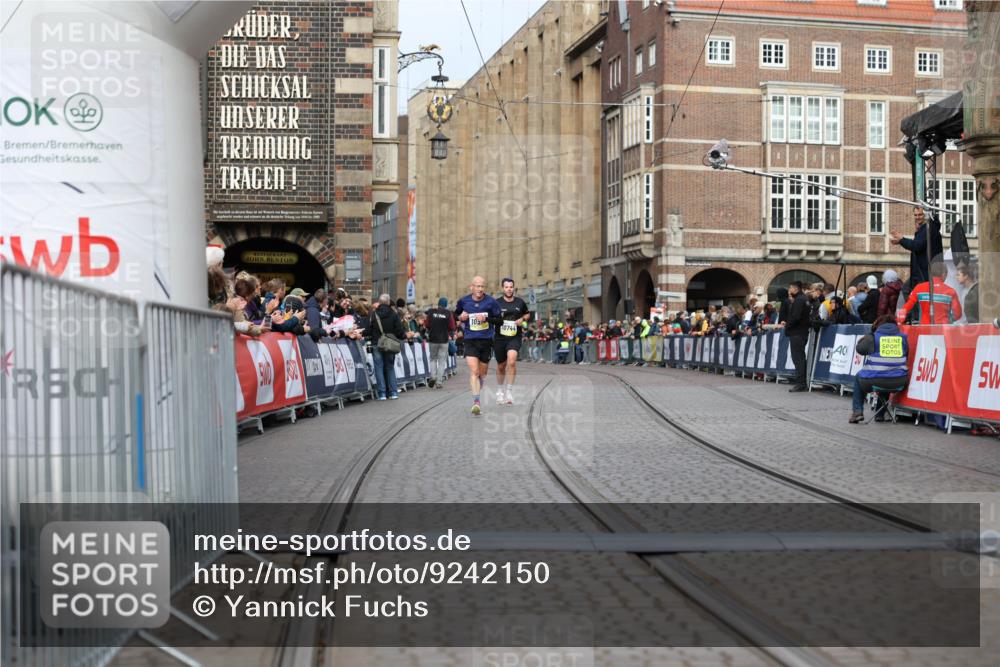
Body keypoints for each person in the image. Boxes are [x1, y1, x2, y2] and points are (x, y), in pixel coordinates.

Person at [454, 276, 503, 415]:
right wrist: (460, 317)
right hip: (470, 340)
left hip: (486, 341)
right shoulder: (464, 301)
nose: (480, 289)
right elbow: (455, 314)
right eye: (478, 286)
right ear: (472, 287)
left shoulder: (491, 302)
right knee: (474, 372)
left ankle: (480, 380)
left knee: (482, 373)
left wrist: (487, 319)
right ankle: (476, 402)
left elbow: (499, 321)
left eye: (482, 286)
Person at [848, 315, 909, 424]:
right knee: (887, 375)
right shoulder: (903, 338)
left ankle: (857, 412)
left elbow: (860, 349)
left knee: (859, 377)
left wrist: (868, 336)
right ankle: (880, 414)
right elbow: (906, 356)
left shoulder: (874, 337)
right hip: (900, 381)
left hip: (875, 380)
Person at [492, 278, 530, 404]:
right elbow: (490, 318)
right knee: (501, 365)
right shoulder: (496, 303)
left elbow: (527, 314)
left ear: (514, 288)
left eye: (511, 287)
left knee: (512, 361)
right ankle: (500, 390)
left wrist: (522, 319)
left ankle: (509, 391)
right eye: (506, 287)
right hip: (499, 337)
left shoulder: (520, 302)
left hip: (514, 336)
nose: (509, 289)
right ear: (503, 288)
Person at [890, 207, 944, 293]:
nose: (917, 217)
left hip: (925, 273)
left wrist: (901, 240)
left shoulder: (929, 228)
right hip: (922, 272)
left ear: (926, 215)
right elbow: (917, 245)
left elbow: (916, 245)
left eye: (920, 215)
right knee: (907, 290)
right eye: (915, 215)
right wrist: (901, 241)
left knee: (907, 291)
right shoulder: (926, 228)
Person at [369, 294, 406, 400]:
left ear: (379, 303)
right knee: (390, 367)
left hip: (377, 343)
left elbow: (369, 330)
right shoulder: (393, 314)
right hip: (390, 344)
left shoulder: (374, 314)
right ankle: (394, 392)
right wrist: (402, 336)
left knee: (379, 368)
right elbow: (399, 331)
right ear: (389, 302)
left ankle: (382, 394)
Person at [783, 281, 810, 392]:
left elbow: (796, 317)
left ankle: (801, 383)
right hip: (801, 332)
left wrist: (788, 326)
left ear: (796, 289)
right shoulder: (804, 299)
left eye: (791, 288)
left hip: (797, 333)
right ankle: (801, 381)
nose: (790, 291)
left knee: (798, 358)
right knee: (799, 358)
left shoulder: (799, 300)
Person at [425, 297, 455, 388]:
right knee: (442, 361)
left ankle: (433, 377)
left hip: (433, 339)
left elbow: (426, 324)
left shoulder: (431, 312)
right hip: (444, 340)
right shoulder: (448, 313)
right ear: (446, 305)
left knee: (433, 359)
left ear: (438, 304)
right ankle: (439, 382)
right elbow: (452, 326)